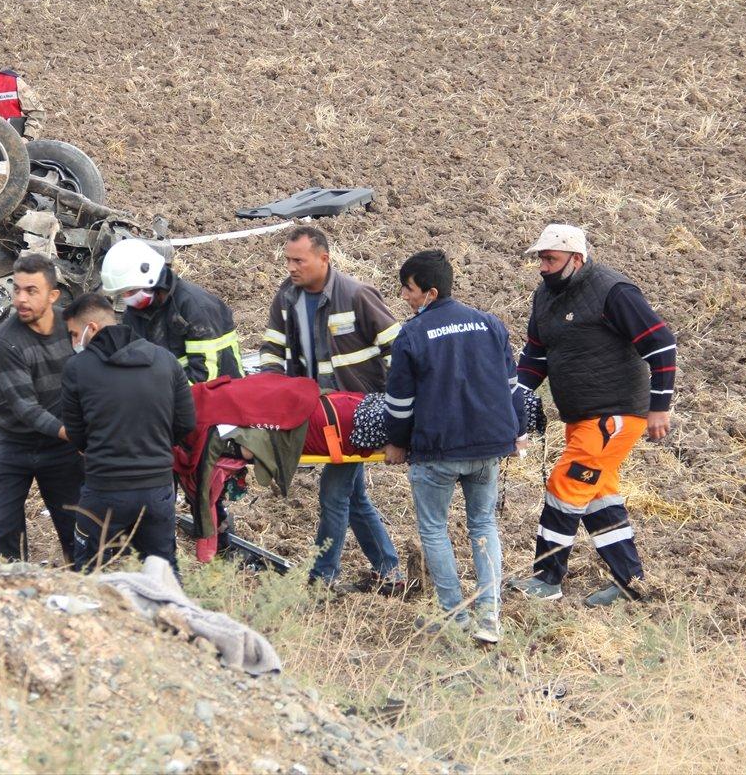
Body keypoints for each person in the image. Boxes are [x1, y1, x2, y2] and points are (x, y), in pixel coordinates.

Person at [509, 224, 677, 606]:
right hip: (581, 418)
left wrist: (659, 407)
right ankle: (630, 582)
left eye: (550, 258)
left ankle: (547, 578)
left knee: (564, 485)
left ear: (576, 258)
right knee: (599, 495)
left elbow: (661, 343)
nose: (542, 267)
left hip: (613, 415)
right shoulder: (545, 296)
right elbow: (535, 355)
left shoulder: (613, 290)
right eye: (540, 259)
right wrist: (514, 396)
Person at [383, 250, 527, 643]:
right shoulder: (490, 325)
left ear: (430, 292)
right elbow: (513, 389)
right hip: (487, 449)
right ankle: (489, 618)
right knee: (484, 524)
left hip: (437, 452)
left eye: (408, 288)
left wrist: (396, 444)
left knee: (433, 528)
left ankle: (456, 618)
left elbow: (399, 404)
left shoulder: (411, 335)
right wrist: (516, 432)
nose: (403, 295)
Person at [259, 226, 404, 591]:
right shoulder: (286, 298)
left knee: (334, 492)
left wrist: (394, 412)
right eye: (288, 259)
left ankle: (323, 576)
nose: (291, 267)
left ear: (324, 259)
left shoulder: (356, 295)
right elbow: (272, 351)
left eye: (299, 260)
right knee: (353, 496)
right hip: (315, 415)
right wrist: (274, 391)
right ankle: (389, 570)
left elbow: (400, 353)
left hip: (355, 415)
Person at [61, 292, 196, 573]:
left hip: (104, 490)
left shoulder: (77, 368)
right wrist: (155, 445)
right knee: (163, 573)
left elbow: (77, 433)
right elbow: (185, 422)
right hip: (157, 490)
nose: (74, 342)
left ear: (92, 328)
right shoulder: (165, 360)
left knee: (88, 574)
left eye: (74, 334)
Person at [0, 254, 80, 562]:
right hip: (10, 445)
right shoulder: (4, 343)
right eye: (17, 289)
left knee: (79, 527)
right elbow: (26, 408)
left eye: (31, 291)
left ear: (53, 295)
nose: (21, 299)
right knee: (3, 531)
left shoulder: (73, 330)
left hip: (61, 449)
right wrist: (78, 436)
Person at [99, 238, 243, 384]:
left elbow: (206, 375)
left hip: (219, 395)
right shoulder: (135, 314)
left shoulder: (196, 307)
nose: (127, 298)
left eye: (131, 292)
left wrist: (162, 396)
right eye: (123, 293)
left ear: (151, 280)